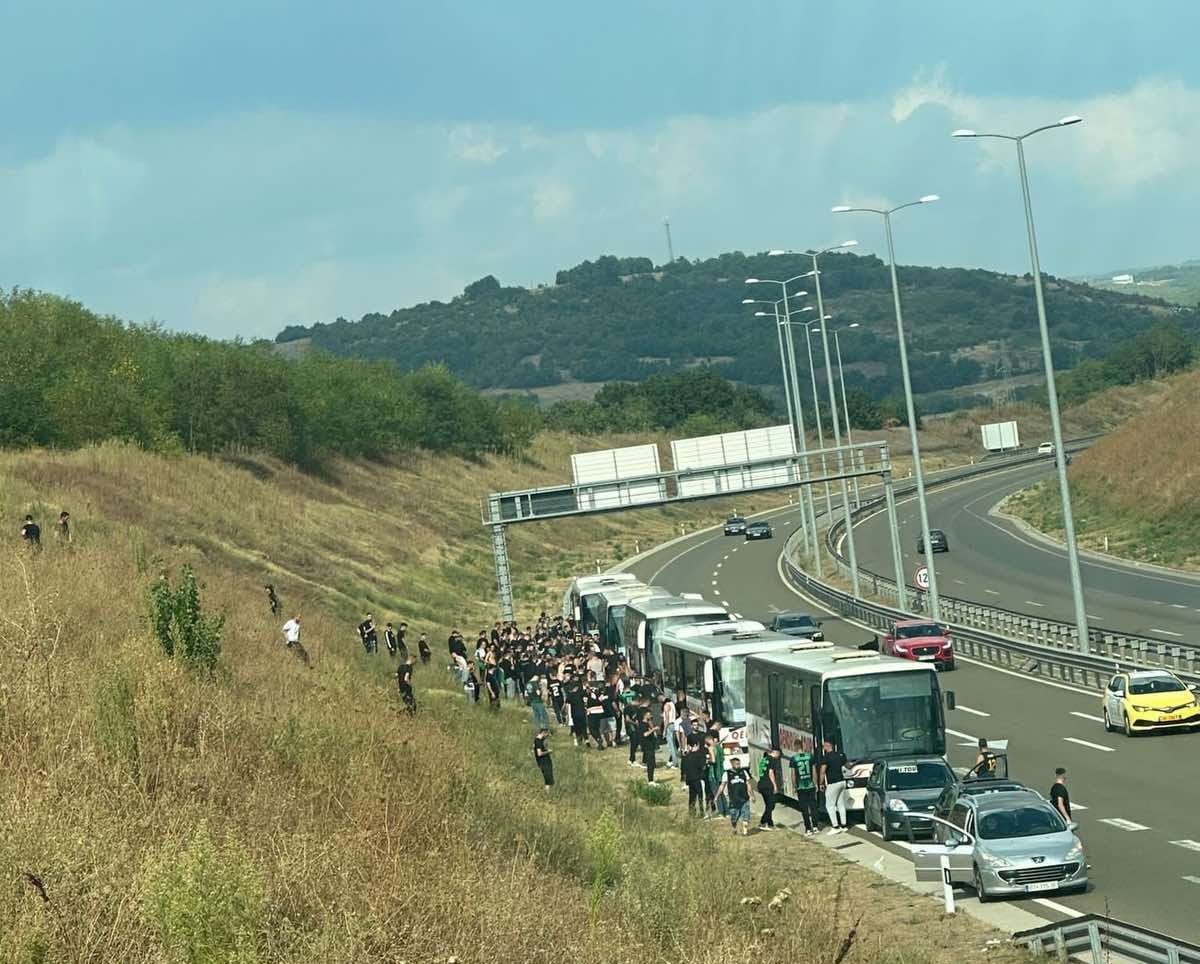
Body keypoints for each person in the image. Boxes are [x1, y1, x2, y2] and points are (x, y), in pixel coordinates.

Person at [790, 737, 820, 835]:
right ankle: (815, 826)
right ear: (802, 746)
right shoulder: (810, 756)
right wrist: (816, 783)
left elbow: (793, 774)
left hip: (801, 786)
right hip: (810, 784)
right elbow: (814, 771)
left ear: (795, 747)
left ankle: (808, 828)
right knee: (813, 806)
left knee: (804, 808)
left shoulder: (794, 759)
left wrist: (794, 786)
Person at [718, 756, 753, 837]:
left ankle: (745, 832)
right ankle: (734, 827)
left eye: (739, 763)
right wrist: (717, 796)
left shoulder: (744, 772)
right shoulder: (727, 774)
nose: (738, 765)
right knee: (734, 816)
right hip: (733, 798)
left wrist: (752, 795)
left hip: (744, 797)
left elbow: (748, 784)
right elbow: (722, 785)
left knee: (746, 814)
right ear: (732, 764)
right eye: (737, 764)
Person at [819, 738, 848, 834]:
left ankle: (835, 827)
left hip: (833, 783)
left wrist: (821, 783)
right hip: (842, 782)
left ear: (828, 745)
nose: (823, 748)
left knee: (829, 805)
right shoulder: (840, 755)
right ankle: (844, 825)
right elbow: (848, 765)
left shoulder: (826, 757)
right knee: (841, 804)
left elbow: (823, 771)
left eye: (824, 746)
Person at [682, 739, 708, 817]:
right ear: (696, 745)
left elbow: (684, 768)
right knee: (701, 796)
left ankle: (692, 813)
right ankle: (702, 813)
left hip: (690, 779)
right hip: (698, 778)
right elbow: (702, 767)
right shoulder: (700, 755)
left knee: (692, 797)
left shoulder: (687, 756)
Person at [757, 746, 781, 831]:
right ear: (775, 753)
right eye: (779, 755)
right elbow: (771, 773)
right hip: (768, 785)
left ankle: (770, 824)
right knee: (771, 805)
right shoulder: (772, 760)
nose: (778, 757)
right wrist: (775, 785)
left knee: (768, 805)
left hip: (761, 784)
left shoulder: (764, 759)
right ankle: (763, 822)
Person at [640, 711, 660, 785]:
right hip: (647, 746)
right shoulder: (642, 725)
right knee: (650, 763)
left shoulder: (648, 723)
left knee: (652, 763)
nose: (651, 716)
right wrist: (653, 729)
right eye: (649, 715)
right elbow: (645, 734)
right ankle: (650, 780)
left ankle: (651, 779)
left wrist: (653, 728)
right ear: (645, 716)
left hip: (651, 745)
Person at [533, 726, 554, 791]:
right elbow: (539, 753)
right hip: (543, 762)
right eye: (547, 734)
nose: (547, 736)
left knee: (550, 780)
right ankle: (547, 794)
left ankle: (549, 794)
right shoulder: (538, 741)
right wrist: (548, 752)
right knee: (548, 780)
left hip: (545, 762)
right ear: (544, 732)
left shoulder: (540, 740)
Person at [661, 695, 678, 769]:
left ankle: (675, 763)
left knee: (671, 746)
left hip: (669, 725)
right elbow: (676, 714)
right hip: (674, 724)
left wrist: (664, 730)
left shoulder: (666, 705)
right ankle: (674, 761)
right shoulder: (672, 704)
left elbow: (667, 718)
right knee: (673, 744)